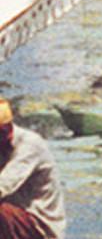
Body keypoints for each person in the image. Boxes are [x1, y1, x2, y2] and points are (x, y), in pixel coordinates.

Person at [0, 99, 65, 239]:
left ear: (6, 130)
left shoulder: (29, 145)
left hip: (39, 225)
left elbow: (3, 185)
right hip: (14, 216)